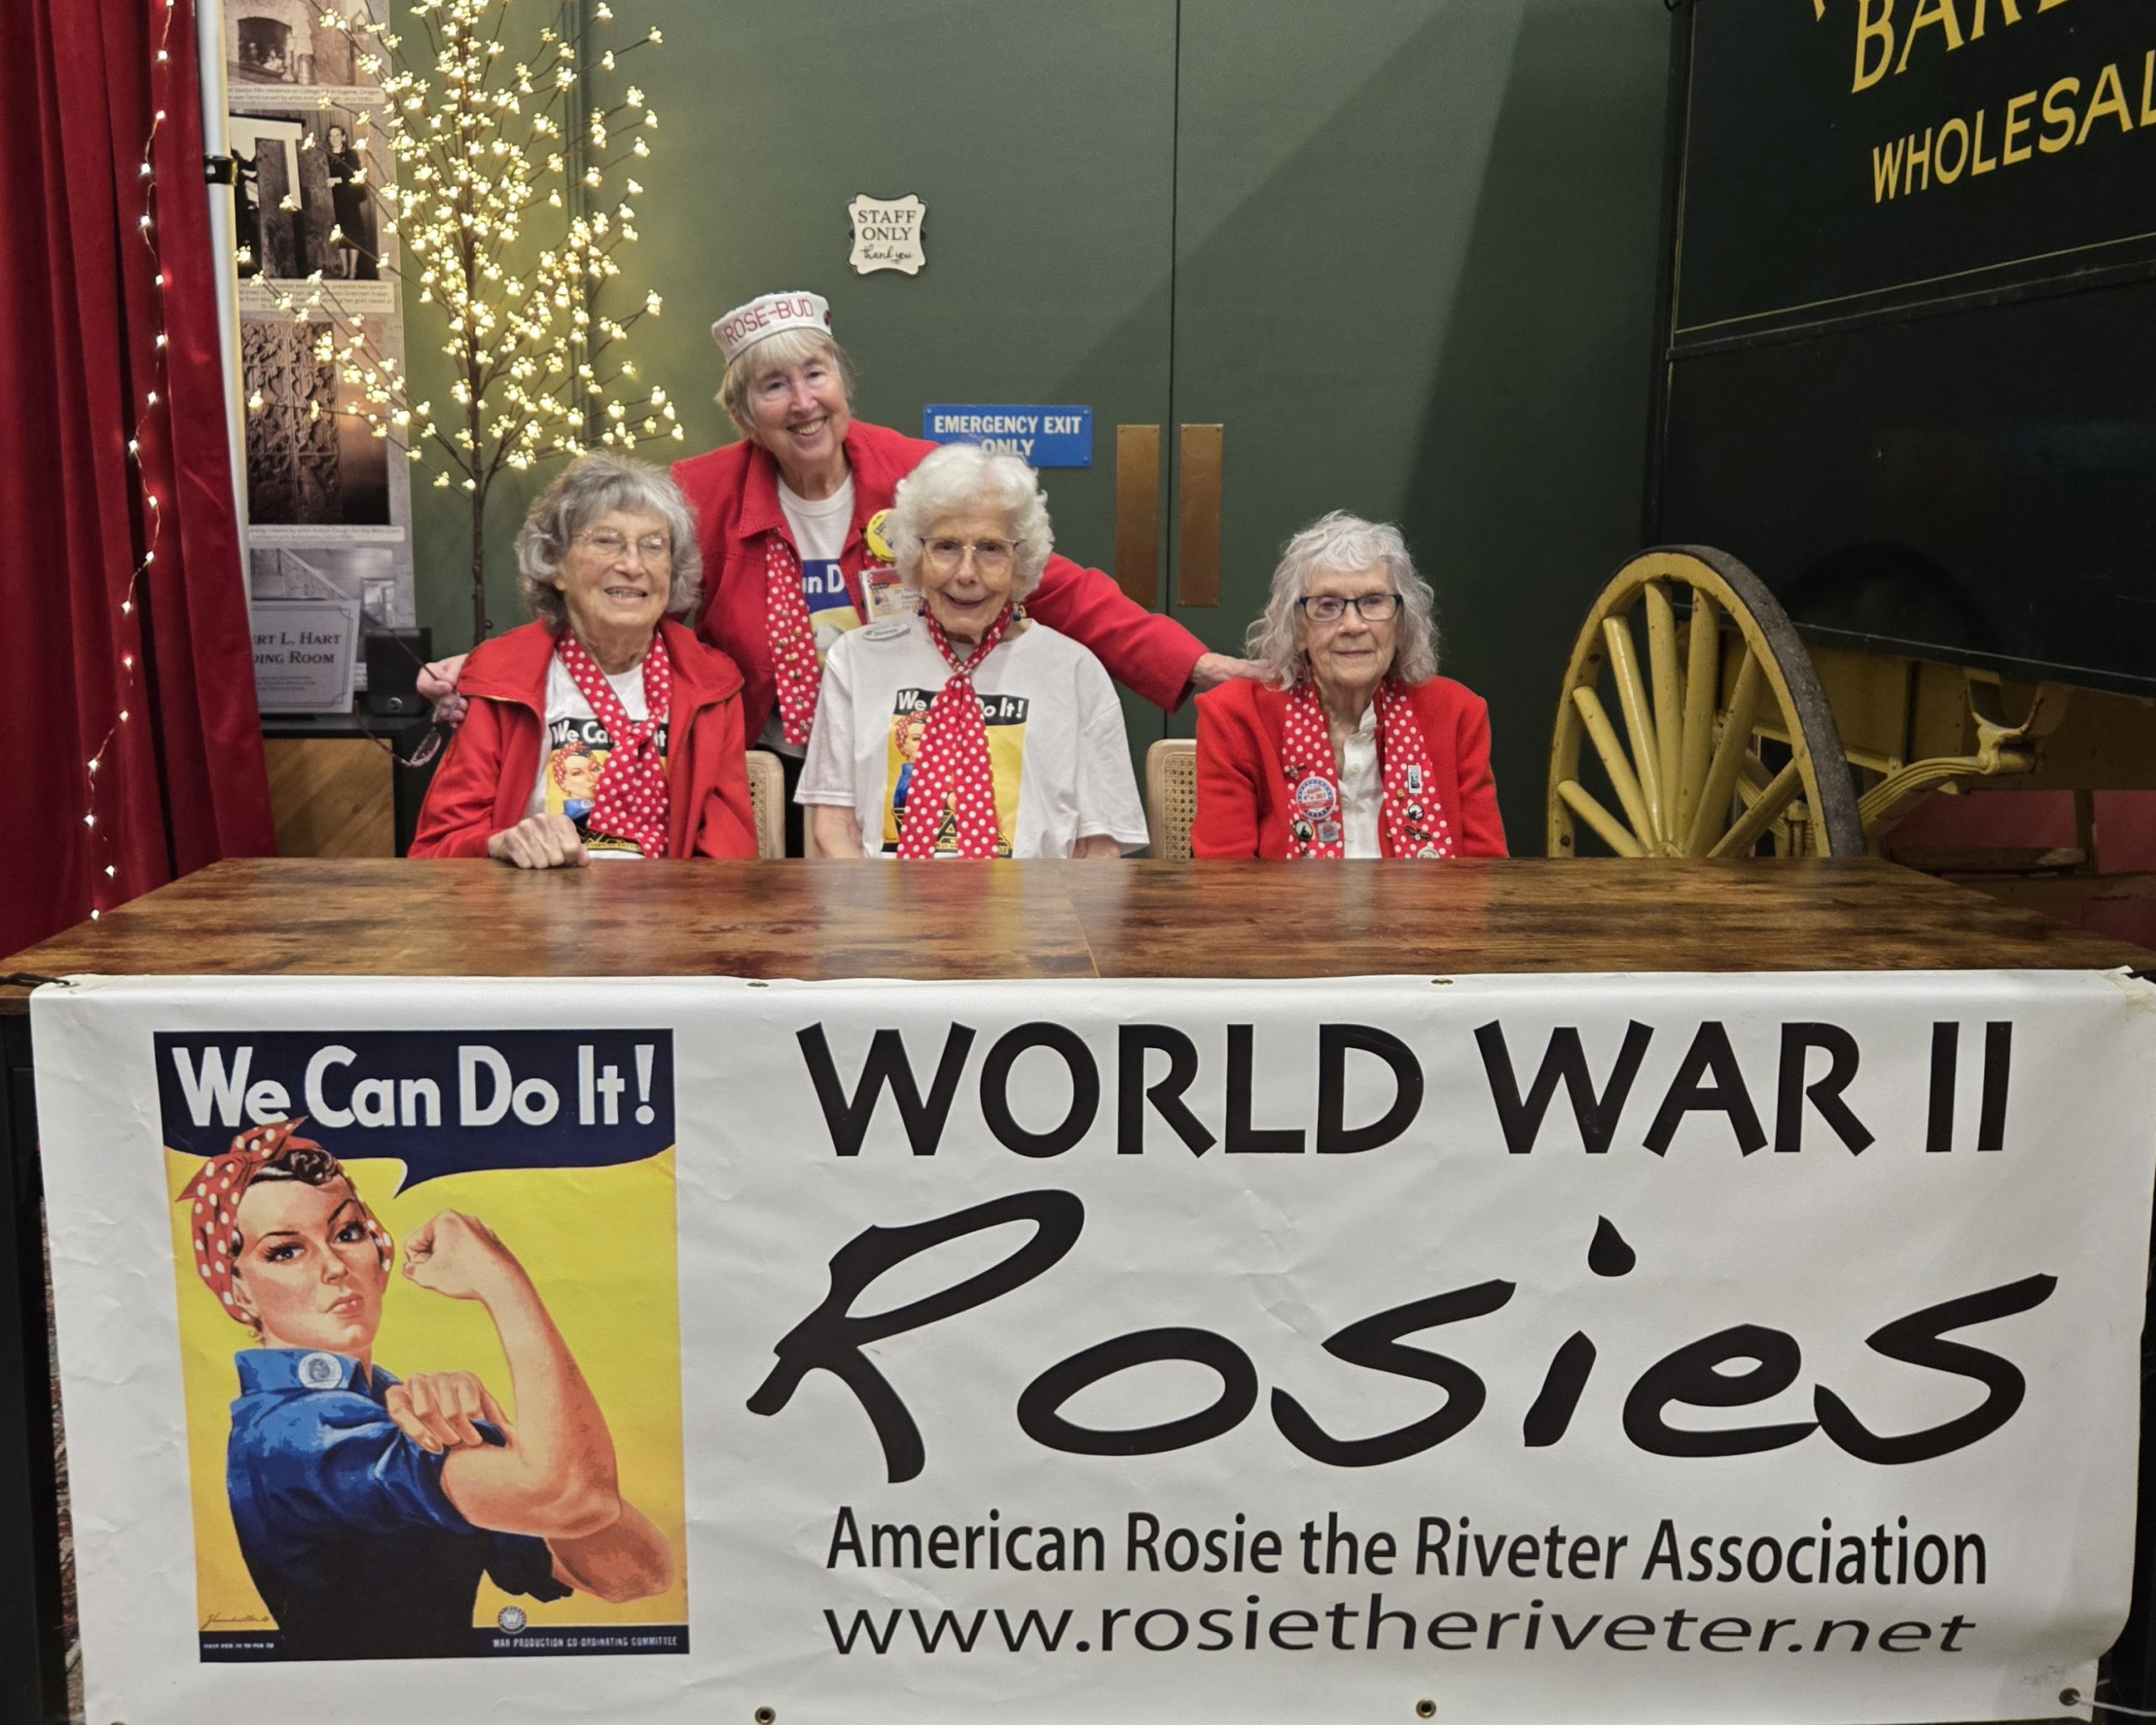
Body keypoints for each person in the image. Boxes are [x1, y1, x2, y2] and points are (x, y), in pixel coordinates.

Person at [419, 291, 1258, 848]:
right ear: (745, 414)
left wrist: (1191, 664)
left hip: (898, 754)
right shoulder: (697, 495)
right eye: (772, 386)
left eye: (814, 374)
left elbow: (1056, 584)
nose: (802, 401)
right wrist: (509, 668)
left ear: (843, 382)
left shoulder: (922, 479)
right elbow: (622, 598)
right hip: (755, 760)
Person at [182, 1118, 673, 1659]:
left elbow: (635, 1576)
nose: (335, 1267)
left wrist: (508, 1442)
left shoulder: (385, 1407)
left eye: (346, 1233)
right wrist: (503, 1284)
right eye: (285, 1252)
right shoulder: (292, 1431)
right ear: (239, 1293)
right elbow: (573, 1498)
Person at [798, 442, 1148, 859]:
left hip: (1035, 917)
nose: (966, 574)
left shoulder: (1074, 671)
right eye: (946, 547)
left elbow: (1098, 850)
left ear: (1022, 561)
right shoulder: (855, 660)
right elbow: (835, 829)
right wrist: (877, 921)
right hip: (886, 913)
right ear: (915, 554)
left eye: (990, 549)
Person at [409, 454, 756, 867]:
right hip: (527, 918)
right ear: (556, 564)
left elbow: (728, 859)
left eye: (653, 546)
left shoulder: (712, 685)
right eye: (606, 541)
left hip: (671, 918)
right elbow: (436, 852)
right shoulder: (500, 678)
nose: (632, 565)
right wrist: (500, 844)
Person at [1193, 511, 1506, 859]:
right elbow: (1223, 882)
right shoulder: (1235, 716)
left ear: (1402, 623)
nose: (1353, 625)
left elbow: (1484, 876)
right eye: (1328, 606)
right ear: (1297, 629)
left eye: (1373, 601)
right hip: (1278, 915)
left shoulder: (1457, 712)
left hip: (1432, 914)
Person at [322, 124, 374, 281]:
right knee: (341, 236)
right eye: (332, 136)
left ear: (344, 137)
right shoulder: (326, 156)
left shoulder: (351, 155)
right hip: (335, 201)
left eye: (338, 135)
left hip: (350, 199)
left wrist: (336, 180)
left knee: (354, 235)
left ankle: (353, 270)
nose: (335, 139)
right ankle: (345, 270)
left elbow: (354, 175)